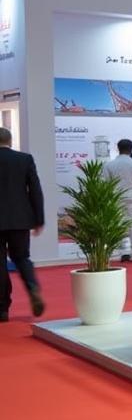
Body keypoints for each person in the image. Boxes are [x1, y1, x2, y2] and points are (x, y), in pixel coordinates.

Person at [0, 126, 45, 321]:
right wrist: (39, 219)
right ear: (10, 141)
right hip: (20, 218)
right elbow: (35, 190)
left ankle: (2, 309)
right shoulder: (25, 159)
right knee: (22, 257)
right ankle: (33, 288)